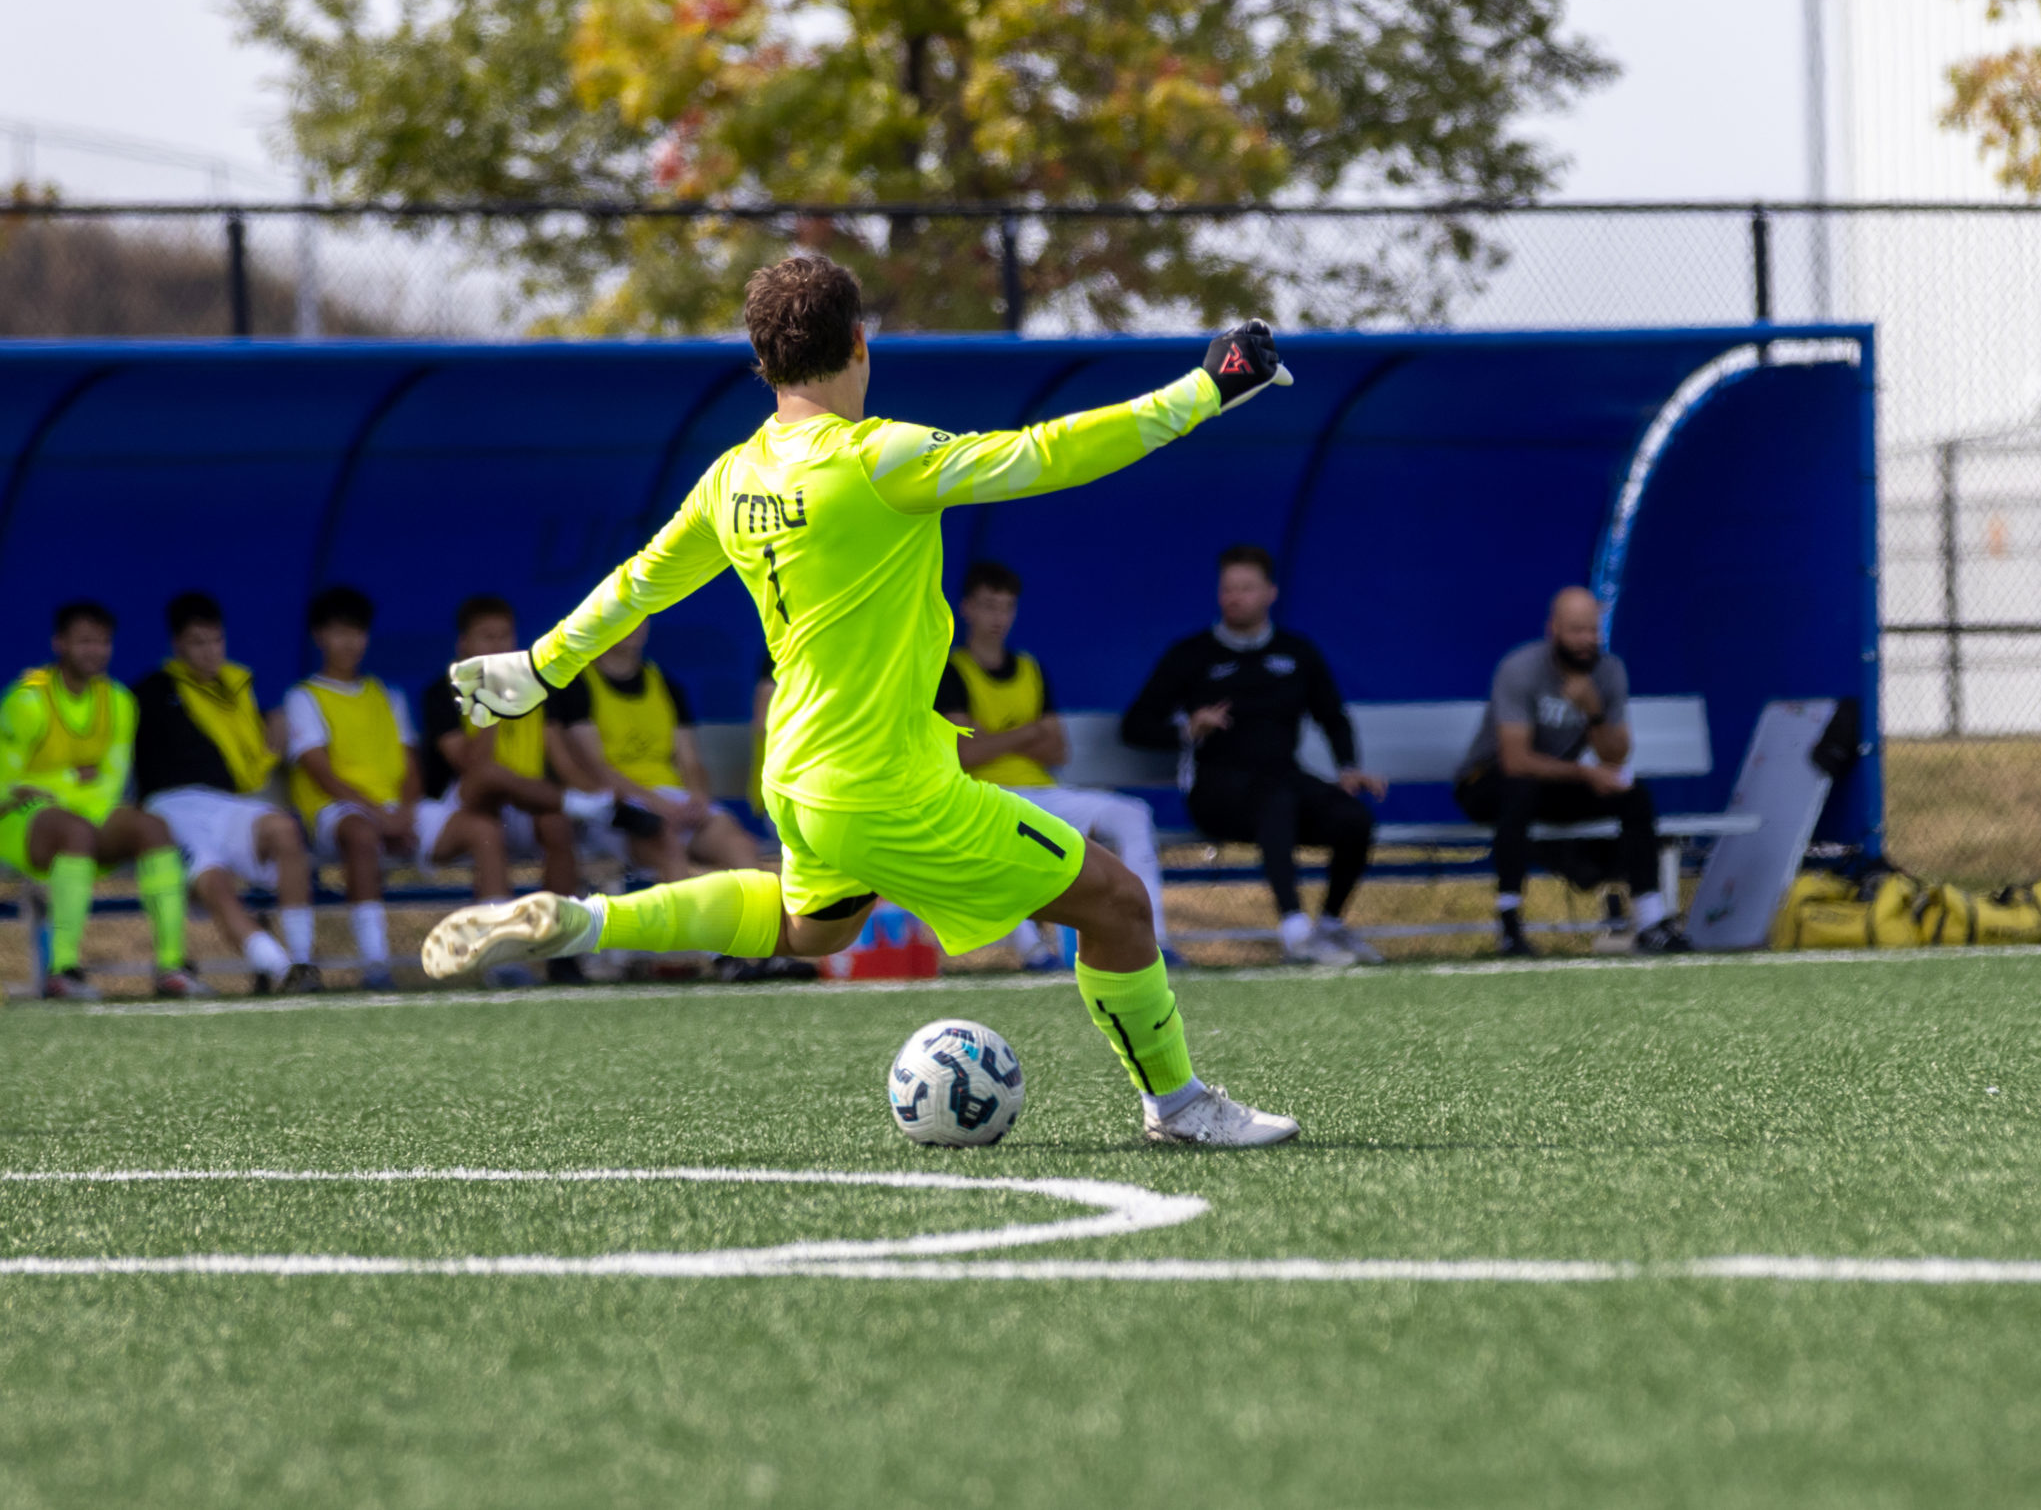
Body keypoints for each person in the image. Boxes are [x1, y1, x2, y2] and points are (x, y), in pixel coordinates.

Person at [419, 253, 1300, 1145]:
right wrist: (1207, 387)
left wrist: (537, 666)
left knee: (810, 930)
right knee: (1115, 902)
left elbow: (638, 583)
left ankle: (581, 920)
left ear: (761, 364)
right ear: (859, 343)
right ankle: (1180, 1107)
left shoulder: (734, 478)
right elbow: (1047, 455)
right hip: (883, 782)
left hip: (799, 775)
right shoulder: (880, 456)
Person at [1122, 544, 1386, 965]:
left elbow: (1332, 715)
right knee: (1275, 801)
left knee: (1353, 818)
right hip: (1215, 791)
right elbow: (1134, 726)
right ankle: (1295, 932)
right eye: (1227, 589)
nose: (1234, 598)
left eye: (1245, 588)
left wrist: (1348, 768)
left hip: (1284, 779)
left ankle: (1331, 926)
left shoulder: (1297, 653)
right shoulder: (1191, 655)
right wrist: (1188, 728)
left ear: (1271, 593)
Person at [937, 559, 1169, 966]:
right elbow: (966, 753)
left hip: (1044, 791)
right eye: (989, 605)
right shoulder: (951, 671)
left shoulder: (1030, 667)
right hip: (985, 795)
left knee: (1132, 814)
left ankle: (1153, 942)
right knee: (992, 838)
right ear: (967, 608)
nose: (999, 617)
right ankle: (1031, 952)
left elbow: (1057, 750)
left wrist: (996, 737)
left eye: (1007, 607)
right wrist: (1026, 734)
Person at [547, 617, 788, 983]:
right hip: (613, 809)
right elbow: (596, 769)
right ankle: (723, 957)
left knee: (737, 842)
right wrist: (658, 806)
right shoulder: (578, 685)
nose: (632, 626)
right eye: (620, 616)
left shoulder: (665, 683)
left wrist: (697, 798)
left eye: (638, 618)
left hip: (673, 804)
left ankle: (767, 951)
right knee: (666, 844)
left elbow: (690, 760)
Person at [1455, 586, 1684, 956]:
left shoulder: (1608, 672)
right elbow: (1515, 760)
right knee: (1520, 789)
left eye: (1593, 630)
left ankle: (1650, 921)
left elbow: (1615, 756)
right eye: (1577, 630)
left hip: (1551, 785)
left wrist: (1593, 710)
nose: (1586, 640)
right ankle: (1510, 926)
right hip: (1485, 781)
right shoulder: (1521, 669)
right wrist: (1585, 774)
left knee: (1633, 794)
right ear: (1553, 630)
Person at [0, 602, 206, 999]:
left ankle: (172, 966)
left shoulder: (119, 701)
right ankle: (63, 970)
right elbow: (8, 786)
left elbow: (110, 781)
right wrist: (68, 781)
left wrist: (51, 785)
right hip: (17, 821)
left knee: (152, 828)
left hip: (87, 813)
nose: (96, 650)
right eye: (85, 641)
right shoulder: (26, 701)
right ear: (59, 643)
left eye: (104, 642)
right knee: (74, 833)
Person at [415, 595, 614, 985]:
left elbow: (557, 753)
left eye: (505, 635)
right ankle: (500, 951)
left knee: (557, 825)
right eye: (486, 637)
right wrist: (491, 707)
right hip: (464, 805)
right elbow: (468, 768)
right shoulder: (441, 691)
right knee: (490, 779)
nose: (498, 645)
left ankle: (560, 950)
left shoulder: (535, 685)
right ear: (464, 646)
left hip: (525, 802)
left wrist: (591, 784)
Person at [135, 591, 315, 993]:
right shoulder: (149, 692)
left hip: (227, 805)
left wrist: (272, 746)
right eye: (198, 643)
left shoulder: (237, 686)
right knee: (213, 883)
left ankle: (304, 960)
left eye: (216, 640)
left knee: (285, 830)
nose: (210, 652)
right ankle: (279, 967)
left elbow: (249, 773)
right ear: (177, 645)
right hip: (170, 808)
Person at [282, 586, 417, 992]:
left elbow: (412, 767)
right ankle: (376, 963)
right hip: (334, 811)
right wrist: (381, 815)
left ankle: (505, 960)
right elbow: (322, 774)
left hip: (395, 812)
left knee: (481, 831)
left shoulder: (389, 696)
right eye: (339, 633)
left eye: (357, 632)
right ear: (319, 637)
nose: (350, 643)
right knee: (361, 834)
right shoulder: (303, 697)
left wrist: (405, 812)